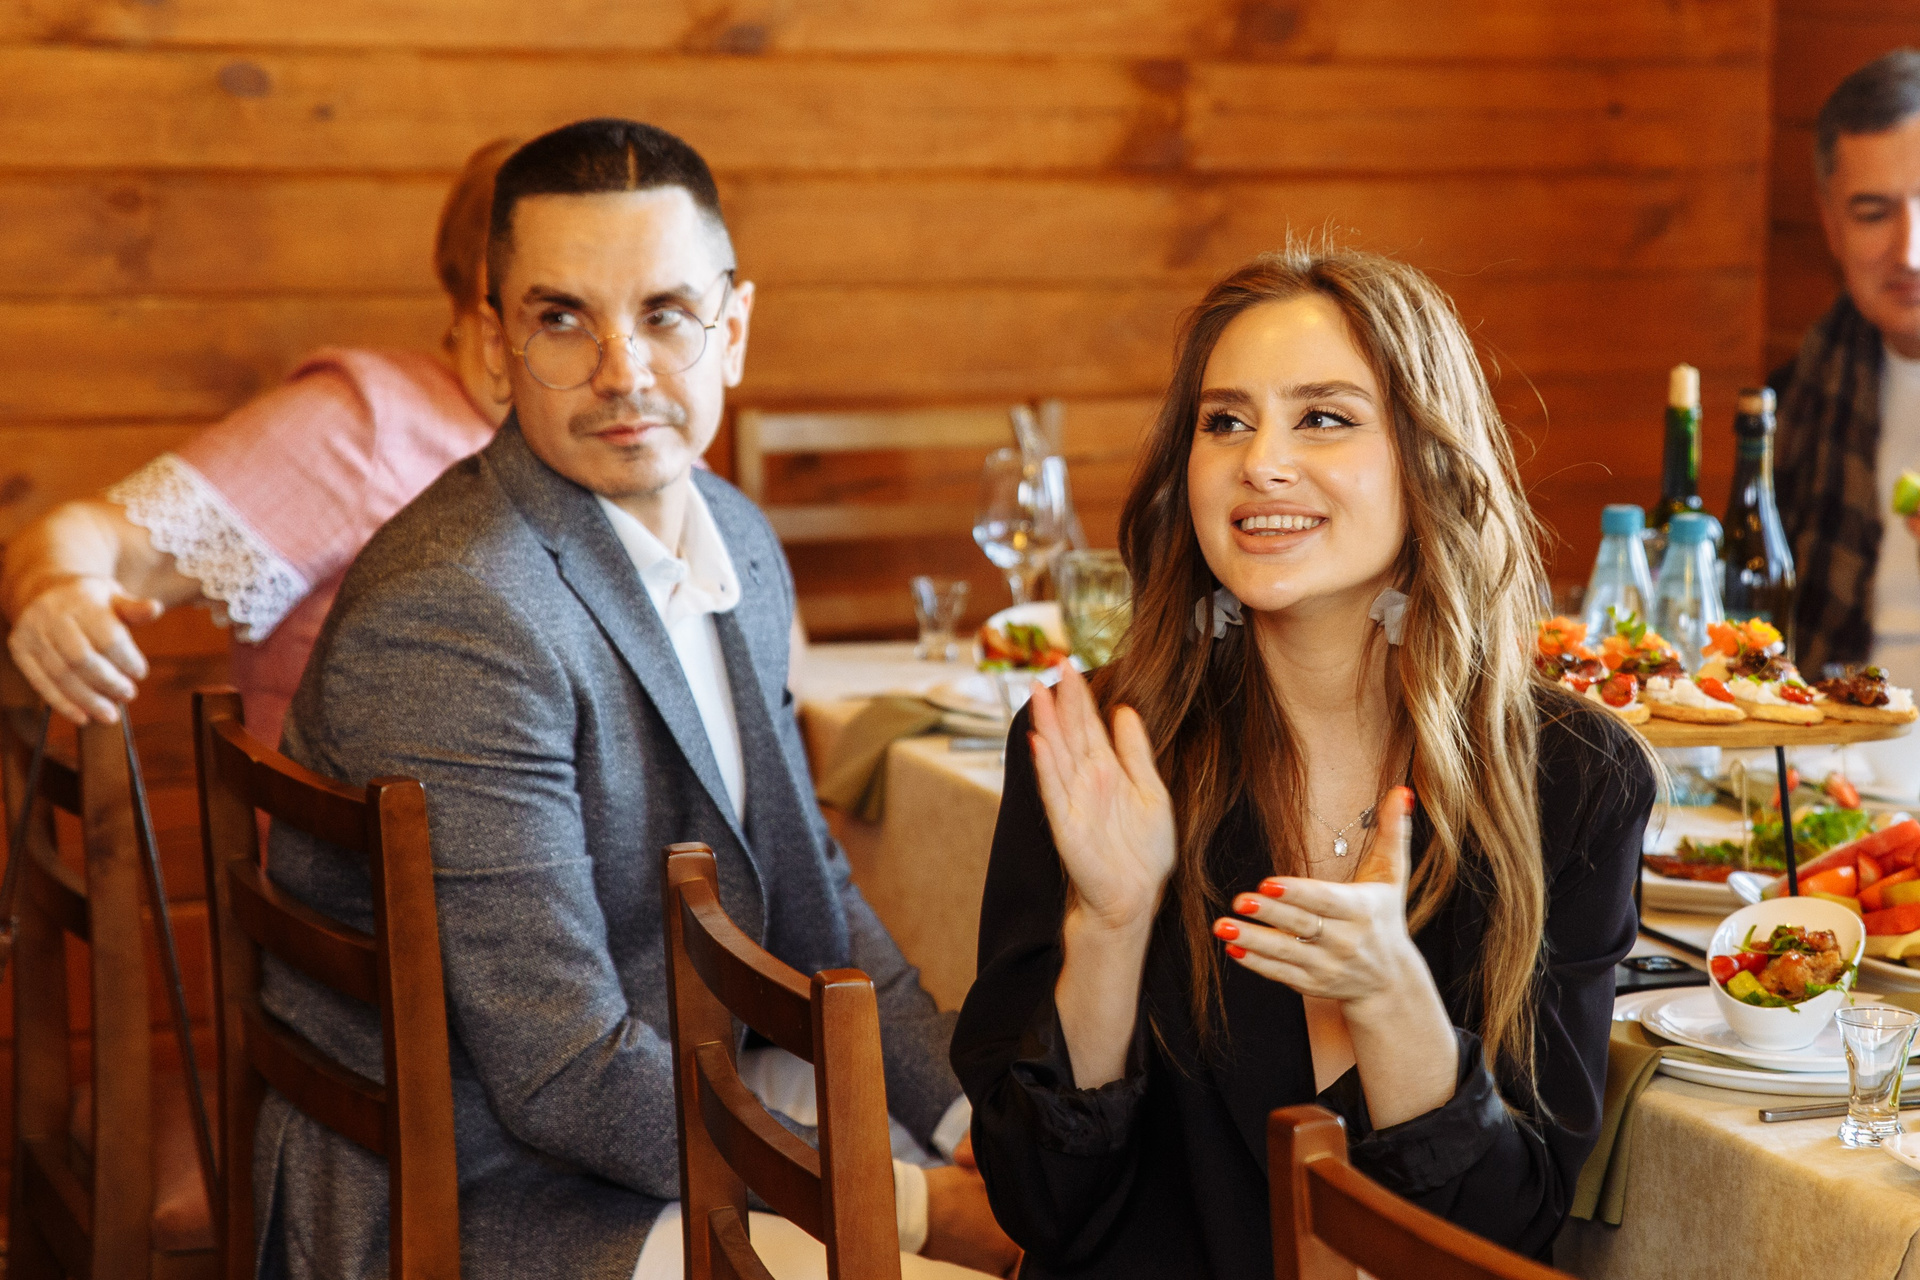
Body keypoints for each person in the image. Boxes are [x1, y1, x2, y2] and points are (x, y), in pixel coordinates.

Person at [256, 119, 1018, 1280]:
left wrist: (972, 1125)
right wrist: (918, 1206)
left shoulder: (739, 537)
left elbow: (811, 893)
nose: (624, 372)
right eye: (564, 318)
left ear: (734, 330)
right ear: (498, 341)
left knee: (1089, 1196)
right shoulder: (457, 609)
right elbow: (561, 1071)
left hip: (665, 1090)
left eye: (665, 313)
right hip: (482, 1191)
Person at [950, 248, 1656, 1277]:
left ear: (1430, 460)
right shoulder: (1100, 744)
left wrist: (1389, 995)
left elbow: (1502, 1233)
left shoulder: (1576, 775)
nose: (1262, 462)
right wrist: (1108, 927)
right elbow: (1043, 1204)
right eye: (1225, 421)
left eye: (1323, 416)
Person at [0, 139, 517, 744]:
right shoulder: (363, 426)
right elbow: (91, 534)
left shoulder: (592, 448)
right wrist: (57, 591)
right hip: (342, 803)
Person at [1775, 48, 1920, 681]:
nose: (1910, 252)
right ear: (1831, 226)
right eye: (1873, 214)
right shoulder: (1795, 399)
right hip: (1828, 726)